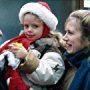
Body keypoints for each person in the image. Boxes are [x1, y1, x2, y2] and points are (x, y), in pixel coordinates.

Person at [0, 1, 66, 90]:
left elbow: (50, 76)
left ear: (46, 27)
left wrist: (26, 57)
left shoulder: (51, 49)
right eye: (26, 26)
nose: (29, 30)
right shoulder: (18, 41)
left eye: (35, 26)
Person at [59, 10, 90, 90]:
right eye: (66, 32)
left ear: (88, 38)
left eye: (70, 33)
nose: (64, 38)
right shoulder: (70, 62)